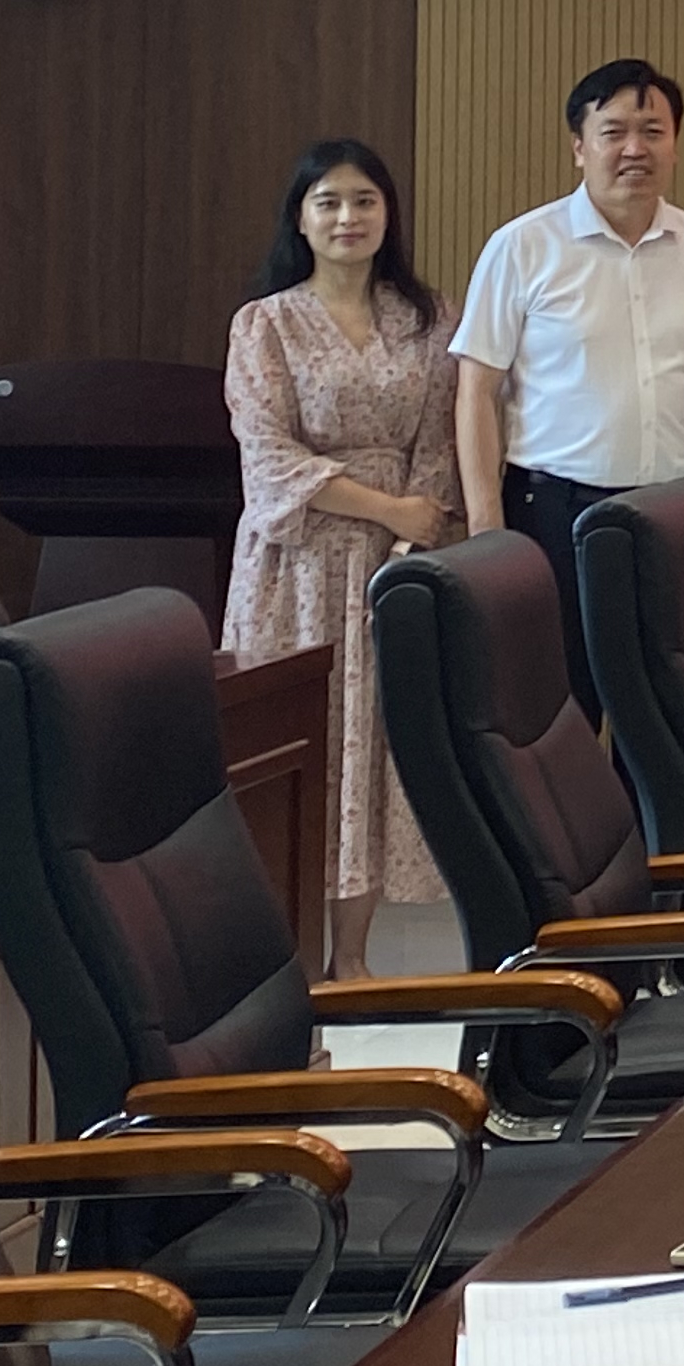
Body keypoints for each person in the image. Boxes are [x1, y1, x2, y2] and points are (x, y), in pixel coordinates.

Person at [453, 60, 684, 721]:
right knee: (561, 711)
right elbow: (477, 390)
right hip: (555, 511)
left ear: (675, 144)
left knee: (674, 710)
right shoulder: (523, 247)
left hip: (682, 509)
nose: (634, 149)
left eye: (653, 131)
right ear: (579, 146)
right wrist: (486, 526)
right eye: (614, 131)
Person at [223, 139, 459, 979]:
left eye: (364, 200)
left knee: (372, 748)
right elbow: (268, 457)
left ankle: (350, 962)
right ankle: (279, 967)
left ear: (388, 213)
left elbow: (440, 448)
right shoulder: (265, 324)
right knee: (299, 749)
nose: (348, 217)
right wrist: (388, 508)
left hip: (395, 568)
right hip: (294, 568)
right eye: (328, 202)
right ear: (300, 218)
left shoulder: (430, 319)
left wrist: (409, 538)